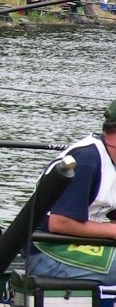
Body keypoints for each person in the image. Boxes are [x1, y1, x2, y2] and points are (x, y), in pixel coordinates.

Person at [27, 100, 116, 284]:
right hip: (47, 250)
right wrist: (112, 230)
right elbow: (59, 223)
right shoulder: (87, 159)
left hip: (82, 243)